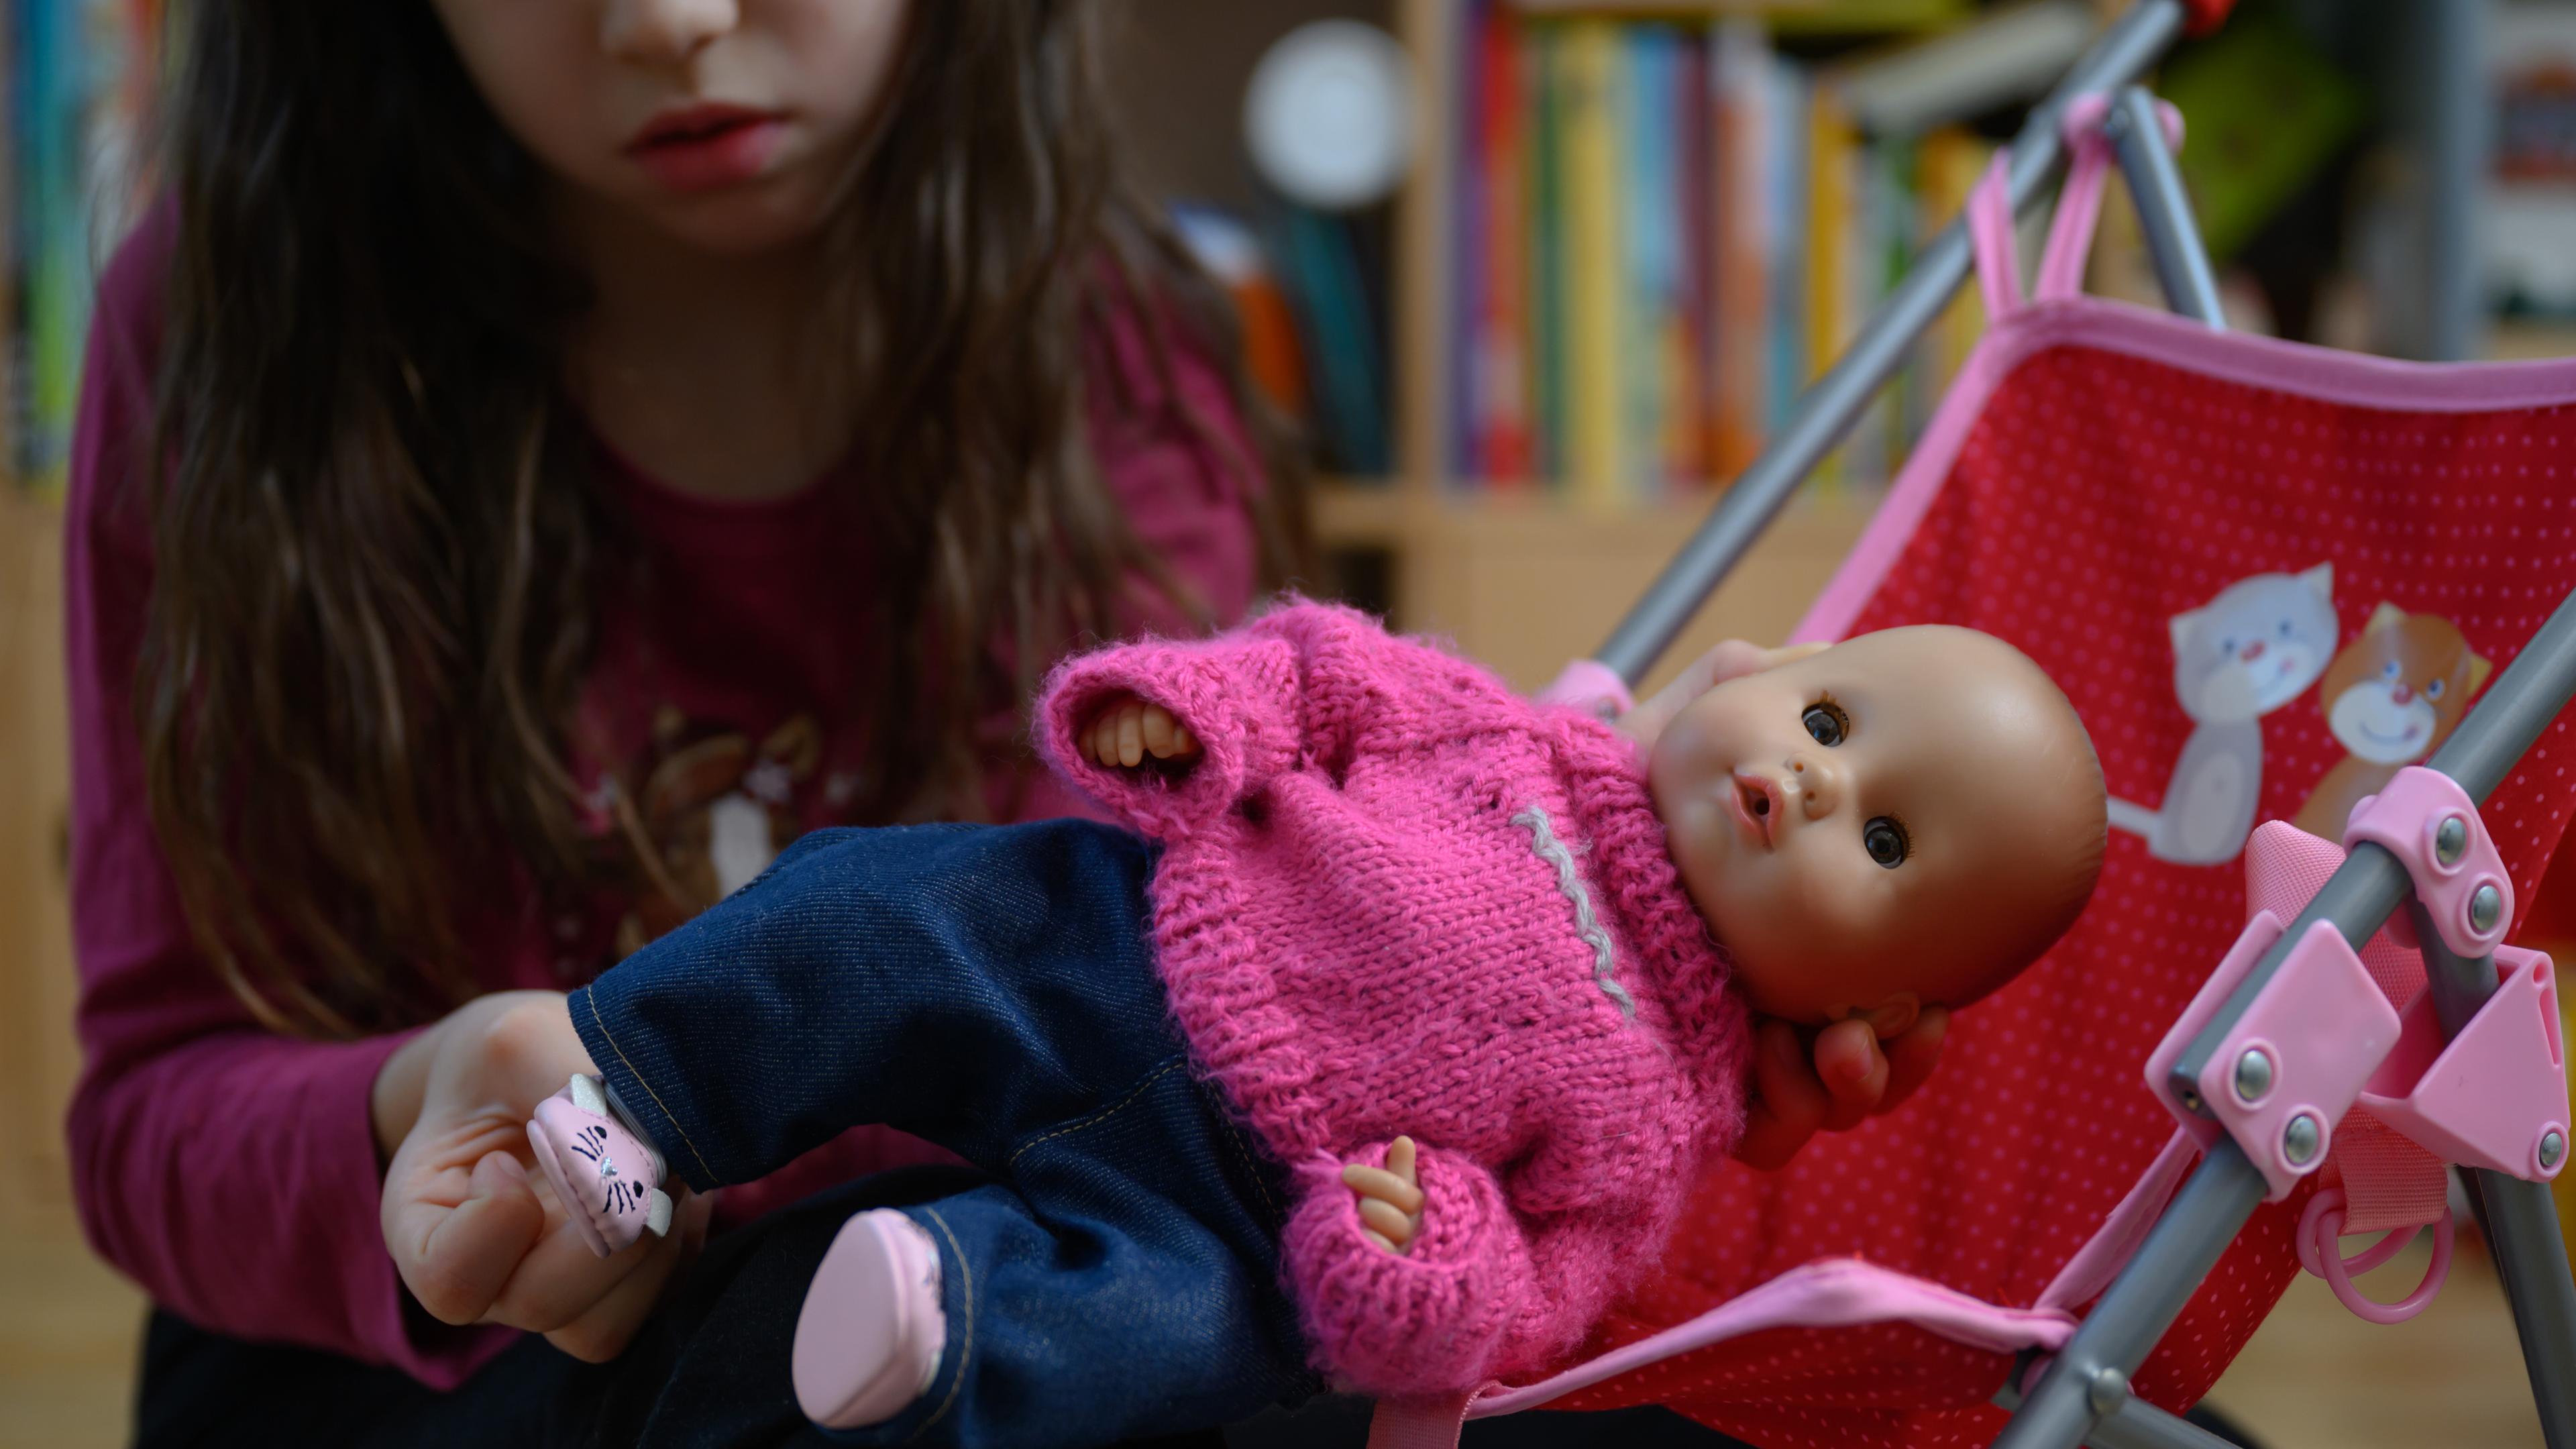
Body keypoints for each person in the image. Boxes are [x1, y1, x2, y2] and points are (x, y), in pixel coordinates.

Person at [64, 1, 1945, 1439]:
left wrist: (1623, 984)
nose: (670, 23)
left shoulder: (1120, 346)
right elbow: (154, 1109)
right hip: (418, 1386)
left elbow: (1231, 1054)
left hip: (984, 1326)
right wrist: (417, 1104)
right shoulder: (242, 345)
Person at [482, 604, 2107, 1448]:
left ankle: (940, 1323)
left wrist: (1426, 1247)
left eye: (1883, 843)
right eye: (1828, 720)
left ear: (1872, 1010)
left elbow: (1535, 1289)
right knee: (877, 911)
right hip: (1115, 947)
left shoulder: (1665, 1116)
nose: (1816, 780)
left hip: (1230, 1208)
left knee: (1187, 1337)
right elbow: (1329, 678)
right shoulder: (1519, 739)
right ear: (1761, 672)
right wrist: (1207, 711)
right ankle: (646, 1098)